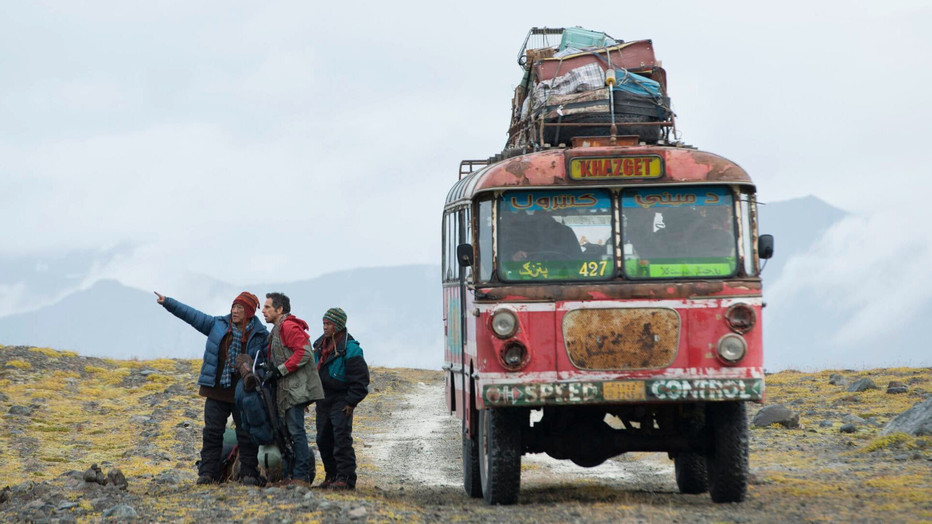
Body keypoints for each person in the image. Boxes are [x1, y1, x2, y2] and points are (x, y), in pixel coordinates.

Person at [155, 291, 268, 486]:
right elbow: (193, 316)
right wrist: (168, 303)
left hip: (243, 394)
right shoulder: (218, 325)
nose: (235, 311)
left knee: (246, 434)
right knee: (212, 433)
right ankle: (208, 473)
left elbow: (266, 362)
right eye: (233, 307)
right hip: (216, 391)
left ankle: (249, 474)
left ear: (249, 312)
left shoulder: (260, 335)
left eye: (240, 308)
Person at [259, 292, 324, 487]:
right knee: (287, 434)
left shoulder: (288, 326)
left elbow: (304, 353)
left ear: (279, 309)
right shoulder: (278, 329)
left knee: (296, 432)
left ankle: (301, 477)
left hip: (294, 390)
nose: (263, 311)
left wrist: (280, 370)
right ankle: (289, 476)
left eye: (267, 307)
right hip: (287, 391)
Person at [312, 307, 370, 490]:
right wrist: (307, 399)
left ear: (338, 326)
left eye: (328, 324)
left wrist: (351, 402)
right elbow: (312, 375)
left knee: (341, 438)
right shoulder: (319, 346)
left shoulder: (351, 349)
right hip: (323, 399)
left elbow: (361, 380)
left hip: (342, 400)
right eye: (324, 323)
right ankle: (331, 475)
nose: (325, 327)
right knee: (323, 438)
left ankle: (346, 478)